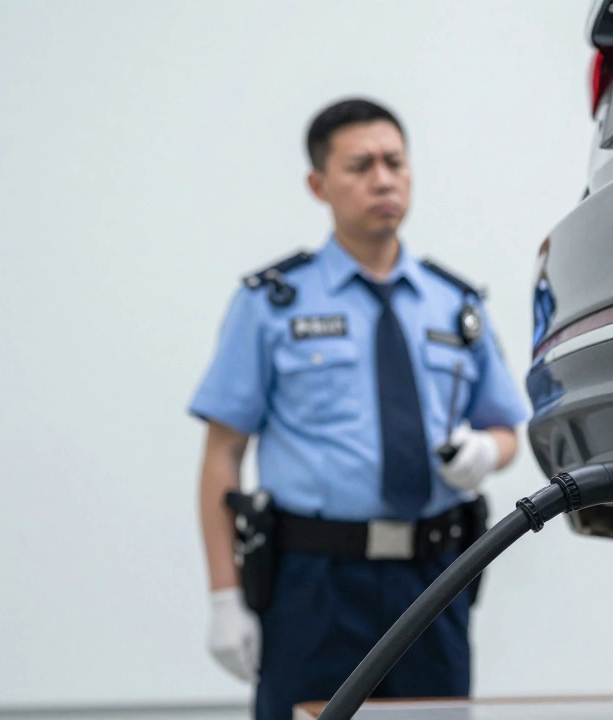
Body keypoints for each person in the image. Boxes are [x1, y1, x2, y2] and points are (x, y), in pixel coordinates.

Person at [190, 98, 528, 720]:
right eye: (360, 165)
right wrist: (223, 597)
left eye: (395, 162)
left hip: (432, 579)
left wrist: (487, 453)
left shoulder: (455, 306)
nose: (382, 179)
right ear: (318, 185)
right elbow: (223, 454)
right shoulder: (273, 304)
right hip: (312, 583)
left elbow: (506, 428)